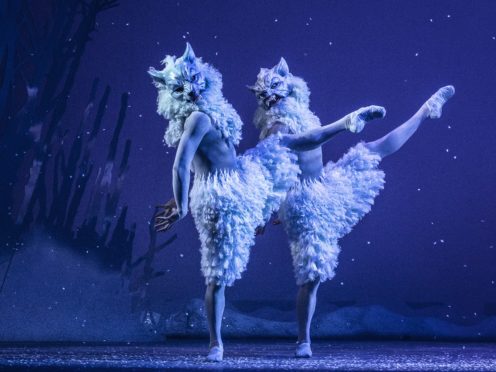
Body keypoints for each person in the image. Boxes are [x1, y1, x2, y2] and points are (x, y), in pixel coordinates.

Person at [149, 44, 386, 361]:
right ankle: (215, 344)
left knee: (279, 151)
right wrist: (181, 205)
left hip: (245, 180)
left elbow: (194, 165)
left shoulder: (209, 114)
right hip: (224, 194)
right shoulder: (198, 119)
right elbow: (182, 165)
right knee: (218, 274)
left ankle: (344, 125)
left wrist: (185, 198)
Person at [249, 57, 455, 358]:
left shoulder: (303, 115)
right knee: (312, 275)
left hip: (328, 186)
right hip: (306, 206)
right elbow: (291, 157)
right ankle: (303, 340)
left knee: (372, 150)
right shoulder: (276, 129)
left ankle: (426, 111)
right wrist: (268, 210)